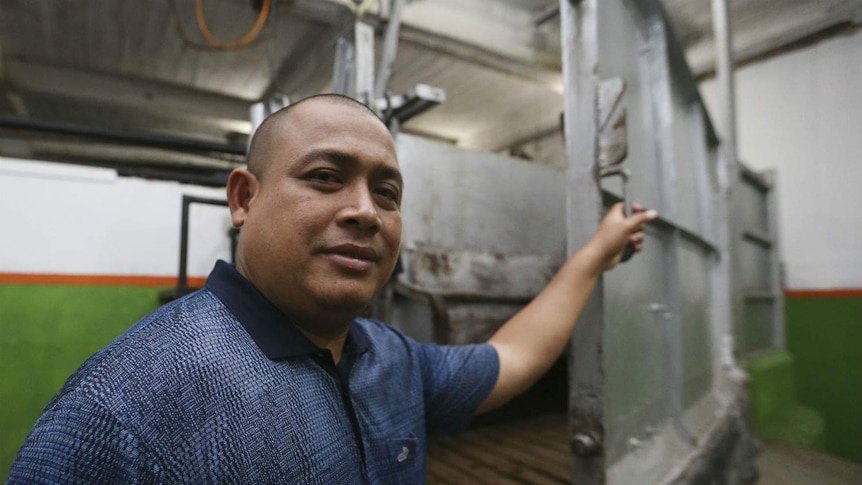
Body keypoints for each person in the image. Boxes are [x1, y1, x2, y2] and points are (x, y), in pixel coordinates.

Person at [9, 94, 657, 483]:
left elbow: (513, 359)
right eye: (325, 176)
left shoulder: (386, 359)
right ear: (244, 198)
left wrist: (593, 256)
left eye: (387, 192)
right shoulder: (125, 403)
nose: (366, 211)